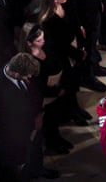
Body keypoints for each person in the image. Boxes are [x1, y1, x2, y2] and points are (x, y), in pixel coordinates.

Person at [0, 52, 60, 180]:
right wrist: (34, 123)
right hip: (19, 132)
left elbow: (35, 90)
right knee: (24, 158)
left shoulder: (19, 67)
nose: (29, 77)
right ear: (15, 74)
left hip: (34, 120)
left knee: (37, 148)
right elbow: (11, 120)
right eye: (27, 76)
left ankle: (38, 169)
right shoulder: (1, 91)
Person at [18, 22, 76, 155]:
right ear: (29, 43)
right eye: (39, 40)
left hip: (55, 88)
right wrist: (55, 91)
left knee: (55, 118)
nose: (43, 41)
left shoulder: (45, 48)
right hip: (45, 96)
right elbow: (37, 86)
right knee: (49, 121)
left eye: (43, 38)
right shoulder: (29, 61)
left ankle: (58, 139)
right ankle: (53, 144)